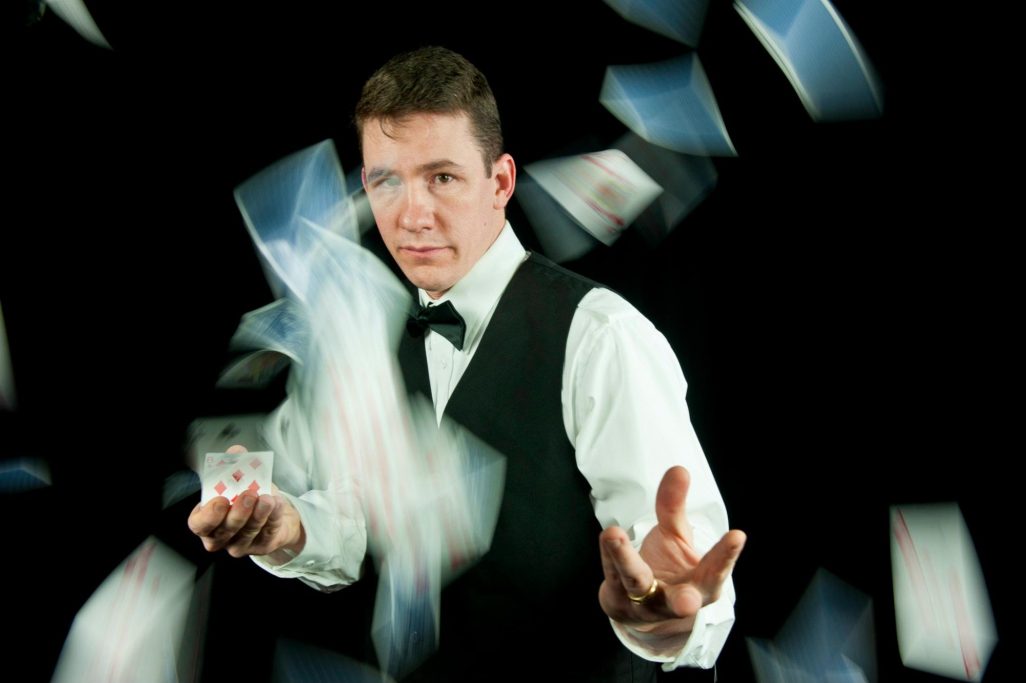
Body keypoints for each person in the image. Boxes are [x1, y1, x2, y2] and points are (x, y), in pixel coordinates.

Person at [189, 46, 745, 681]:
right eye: (386, 181)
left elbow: (679, 566)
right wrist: (288, 529)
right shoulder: (369, 327)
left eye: (442, 178)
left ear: (500, 183)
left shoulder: (601, 335)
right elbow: (361, 516)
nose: (411, 215)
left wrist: (663, 613)